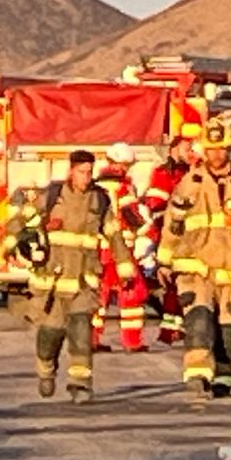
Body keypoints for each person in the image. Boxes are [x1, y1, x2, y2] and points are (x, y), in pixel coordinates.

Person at [155, 119, 231, 399]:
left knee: (227, 332)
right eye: (211, 149)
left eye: (221, 148)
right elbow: (173, 223)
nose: (217, 154)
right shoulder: (190, 183)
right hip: (195, 266)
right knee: (198, 320)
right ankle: (197, 374)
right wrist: (164, 260)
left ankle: (223, 372)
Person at [4, 149, 133, 403]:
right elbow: (17, 223)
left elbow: (114, 234)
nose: (87, 177)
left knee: (81, 331)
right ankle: (46, 369)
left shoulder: (100, 201)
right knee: (50, 333)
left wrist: (124, 266)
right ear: (71, 171)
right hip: (53, 283)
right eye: (82, 172)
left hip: (84, 280)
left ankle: (80, 384)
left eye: (89, 172)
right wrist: (12, 249)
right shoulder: (50, 197)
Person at [143, 124, 199, 344]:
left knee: (187, 281)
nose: (191, 151)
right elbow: (156, 205)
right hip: (171, 234)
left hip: (192, 235)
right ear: (175, 148)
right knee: (172, 281)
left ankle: (177, 326)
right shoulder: (163, 173)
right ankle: (170, 329)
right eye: (187, 147)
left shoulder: (193, 173)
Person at [92, 142, 149, 351]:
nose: (126, 169)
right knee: (133, 292)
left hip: (100, 250)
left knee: (99, 296)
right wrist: (147, 229)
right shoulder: (122, 187)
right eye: (125, 165)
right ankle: (132, 341)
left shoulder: (96, 187)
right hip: (120, 251)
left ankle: (91, 339)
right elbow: (131, 216)